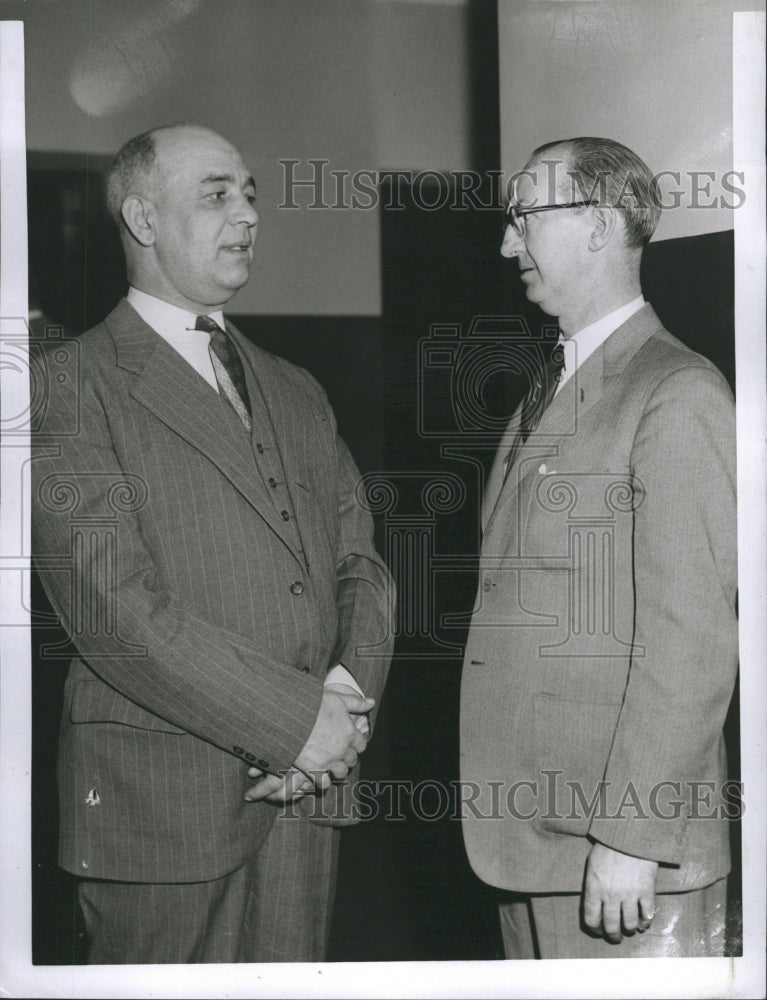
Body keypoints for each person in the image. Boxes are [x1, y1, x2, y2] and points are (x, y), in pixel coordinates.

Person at [31, 123, 394, 964]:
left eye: (251, 192)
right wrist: (296, 724)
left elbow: (361, 565)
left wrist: (341, 708)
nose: (249, 214)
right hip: (162, 813)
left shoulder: (295, 387)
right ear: (144, 219)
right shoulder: (65, 385)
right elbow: (114, 613)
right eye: (216, 193)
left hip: (308, 798)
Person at [460, 136, 738, 959]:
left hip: (618, 854)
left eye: (523, 217)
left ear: (597, 224)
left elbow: (691, 639)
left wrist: (628, 836)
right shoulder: (551, 386)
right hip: (532, 841)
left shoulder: (676, 392)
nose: (507, 242)